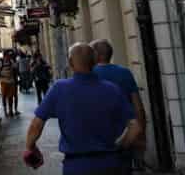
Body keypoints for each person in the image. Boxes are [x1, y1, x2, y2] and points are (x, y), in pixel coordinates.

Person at [24, 43, 142, 175]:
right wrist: (120, 146)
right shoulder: (112, 89)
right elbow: (135, 127)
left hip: (76, 165)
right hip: (110, 163)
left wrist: (31, 148)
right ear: (95, 61)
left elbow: (36, 125)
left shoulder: (59, 89)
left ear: (70, 63)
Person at [92, 38, 147, 166]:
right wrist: (142, 134)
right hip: (125, 134)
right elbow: (138, 106)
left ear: (96, 55)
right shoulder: (125, 73)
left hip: (98, 138)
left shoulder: (90, 75)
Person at [0, 50, 19, 116]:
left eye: (9, 56)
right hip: (3, 82)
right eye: (7, 55)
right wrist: (0, 76)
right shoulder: (0, 62)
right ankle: (5, 111)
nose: (8, 57)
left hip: (11, 81)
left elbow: (15, 68)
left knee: (10, 96)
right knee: (4, 96)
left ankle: (10, 110)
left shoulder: (11, 61)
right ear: (4, 56)